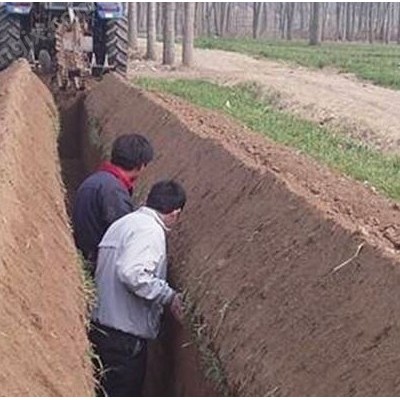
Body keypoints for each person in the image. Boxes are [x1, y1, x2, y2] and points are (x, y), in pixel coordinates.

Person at [89, 180, 187, 397]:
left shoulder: (124, 224)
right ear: (175, 213)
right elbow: (132, 273)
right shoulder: (150, 231)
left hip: (103, 329)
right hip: (122, 341)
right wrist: (168, 295)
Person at [72, 134, 154, 269]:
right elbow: (124, 236)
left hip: (86, 253)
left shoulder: (99, 180)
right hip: (97, 263)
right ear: (140, 166)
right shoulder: (113, 191)